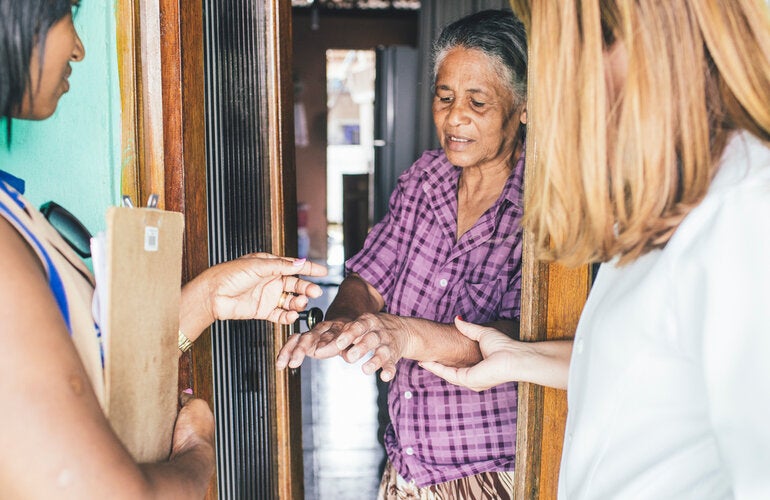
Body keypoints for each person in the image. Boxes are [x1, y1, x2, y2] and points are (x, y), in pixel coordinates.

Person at [422, 0, 770, 498]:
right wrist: (520, 357)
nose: (559, 95)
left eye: (570, 56)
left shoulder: (747, 210)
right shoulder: (664, 201)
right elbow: (649, 373)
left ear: (649, 44)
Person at [0, 1, 327, 497]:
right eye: (66, 13)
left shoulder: (13, 209)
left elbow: (83, 377)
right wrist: (199, 452)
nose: (79, 47)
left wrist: (207, 297)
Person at [277, 9, 528, 499]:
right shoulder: (424, 180)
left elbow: (517, 341)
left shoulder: (540, 209)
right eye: (444, 97)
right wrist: (344, 320)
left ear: (522, 107)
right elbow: (369, 279)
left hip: (489, 474)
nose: (454, 117)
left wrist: (402, 334)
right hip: (407, 466)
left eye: (477, 102)